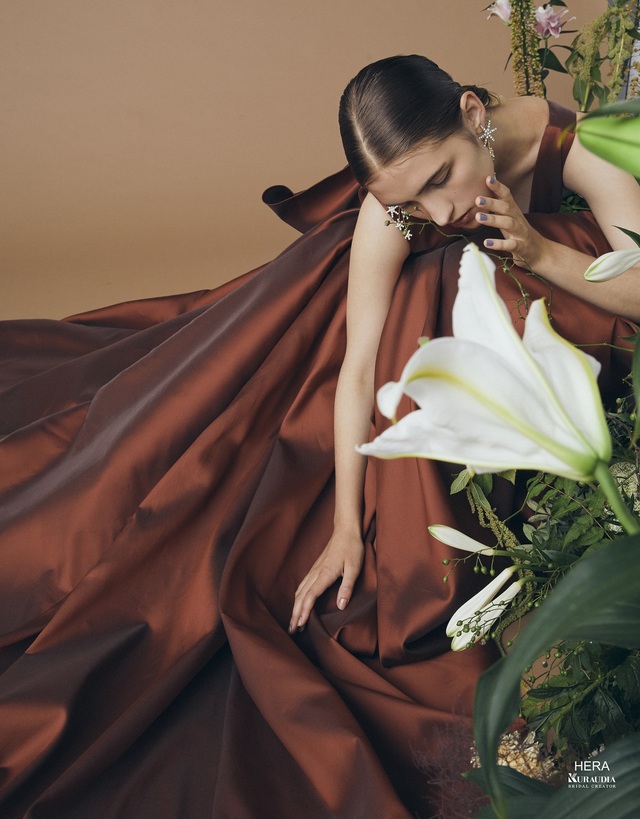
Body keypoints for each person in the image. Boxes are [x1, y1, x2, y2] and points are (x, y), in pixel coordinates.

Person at [0, 54, 637, 819]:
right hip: (396, 339)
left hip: (530, 311)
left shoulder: (581, 144)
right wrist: (343, 528)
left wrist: (537, 251)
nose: (438, 212)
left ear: (474, 114)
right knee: (425, 284)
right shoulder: (397, 210)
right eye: (410, 201)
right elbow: (357, 368)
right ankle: (425, 588)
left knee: (470, 267)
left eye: (441, 178)